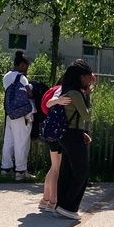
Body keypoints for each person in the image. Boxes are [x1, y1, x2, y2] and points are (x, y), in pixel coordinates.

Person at [56, 61, 95, 221]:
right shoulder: (76, 93)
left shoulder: (66, 90)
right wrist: (88, 93)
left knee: (67, 171)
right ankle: (69, 206)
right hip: (73, 136)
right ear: (81, 77)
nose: (90, 79)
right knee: (81, 172)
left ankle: (62, 204)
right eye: (88, 76)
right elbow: (86, 116)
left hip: (68, 134)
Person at [1, 51, 35, 181]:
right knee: (21, 141)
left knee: (8, 141)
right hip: (21, 114)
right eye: (26, 66)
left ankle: (6, 169)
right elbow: (29, 94)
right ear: (21, 65)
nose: (26, 69)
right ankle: (20, 171)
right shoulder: (22, 78)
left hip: (10, 113)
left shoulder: (6, 76)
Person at [38, 78, 71, 213]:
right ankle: (52, 201)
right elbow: (49, 103)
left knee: (54, 167)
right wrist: (58, 100)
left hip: (52, 131)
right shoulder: (63, 89)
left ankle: (45, 200)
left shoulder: (59, 88)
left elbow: (48, 104)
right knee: (56, 168)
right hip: (58, 132)